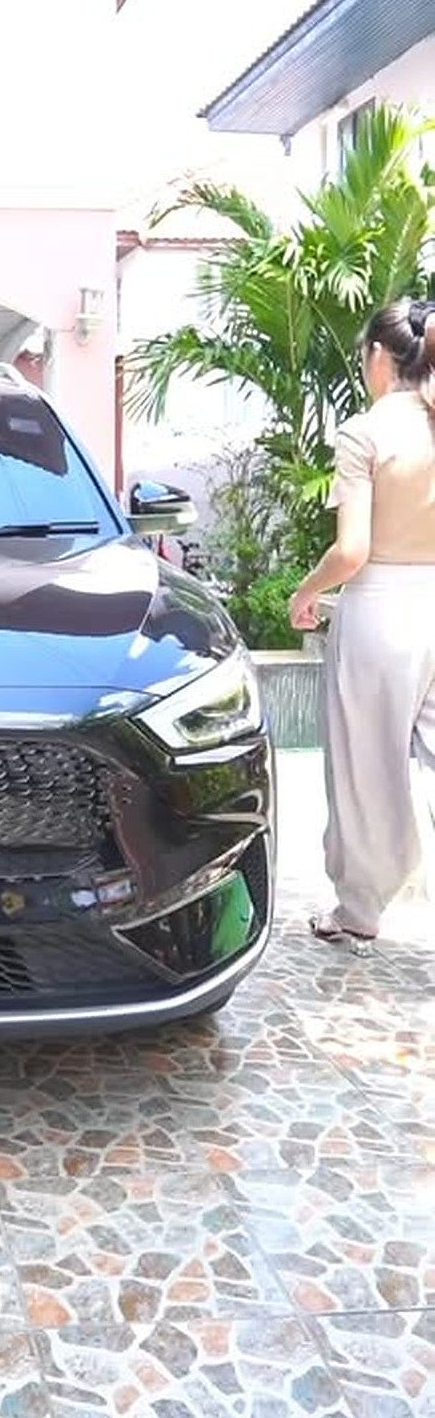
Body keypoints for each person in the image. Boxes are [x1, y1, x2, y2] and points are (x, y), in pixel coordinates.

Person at [288, 297, 435, 954]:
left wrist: (307, 591)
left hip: (381, 611)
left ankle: (359, 910)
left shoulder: (366, 432)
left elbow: (352, 551)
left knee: (365, 770)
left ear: (379, 356)